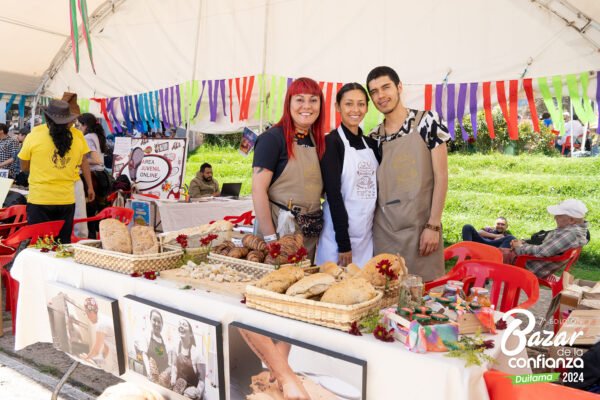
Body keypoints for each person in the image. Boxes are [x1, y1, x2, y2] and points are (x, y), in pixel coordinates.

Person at [367, 66, 450, 281]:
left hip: (421, 230)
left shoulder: (427, 121)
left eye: (385, 87)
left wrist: (433, 224)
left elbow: (441, 176)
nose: (381, 95)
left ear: (399, 87)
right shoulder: (374, 137)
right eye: (374, 91)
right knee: (385, 297)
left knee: (420, 300)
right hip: (384, 232)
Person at [252, 77, 326, 260]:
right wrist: (270, 239)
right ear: (289, 103)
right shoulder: (272, 139)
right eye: (300, 99)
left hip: (306, 235)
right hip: (278, 230)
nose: (307, 106)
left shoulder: (319, 142)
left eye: (313, 100)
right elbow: (258, 190)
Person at [316, 83, 380, 267]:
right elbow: (334, 196)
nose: (355, 110)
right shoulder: (331, 143)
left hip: (366, 239)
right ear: (337, 107)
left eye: (361, 104)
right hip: (337, 239)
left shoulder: (372, 144)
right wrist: (344, 244)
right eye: (348, 104)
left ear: (367, 107)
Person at [18, 100, 94, 244]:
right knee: (61, 245)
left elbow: (24, 167)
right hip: (66, 200)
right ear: (68, 120)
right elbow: (81, 162)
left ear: (47, 118)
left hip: (39, 199)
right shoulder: (78, 137)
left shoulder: (35, 134)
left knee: (40, 247)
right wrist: (89, 186)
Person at [507, 199, 590, 278]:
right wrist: (523, 243)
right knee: (497, 252)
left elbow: (542, 251)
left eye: (559, 215)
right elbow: (545, 246)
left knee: (495, 254)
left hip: (528, 266)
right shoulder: (574, 231)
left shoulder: (570, 234)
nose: (555, 217)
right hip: (530, 263)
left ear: (571, 220)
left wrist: (519, 247)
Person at [239, 328, 310, 400]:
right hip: (235, 360)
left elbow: (286, 322)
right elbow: (247, 320)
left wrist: (280, 360)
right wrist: (286, 377)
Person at [77, 113, 112, 238]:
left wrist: (80, 161)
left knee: (89, 210)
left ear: (85, 125)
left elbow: (97, 160)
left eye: (79, 125)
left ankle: (90, 238)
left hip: (93, 177)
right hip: (100, 175)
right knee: (95, 210)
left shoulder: (88, 137)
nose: (79, 128)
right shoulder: (97, 136)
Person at [79, 297, 118, 375]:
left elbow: (96, 350)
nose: (87, 317)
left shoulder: (101, 325)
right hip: (113, 356)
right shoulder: (103, 318)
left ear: (91, 312)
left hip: (114, 362)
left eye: (86, 314)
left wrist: (87, 358)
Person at [170, 319, 205, 395]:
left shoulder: (198, 354)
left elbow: (202, 380)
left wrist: (197, 393)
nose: (181, 326)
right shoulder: (175, 348)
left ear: (191, 334)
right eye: (180, 324)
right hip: (178, 390)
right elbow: (174, 366)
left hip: (191, 393)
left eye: (184, 325)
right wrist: (173, 379)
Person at [141, 309, 169, 380]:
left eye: (159, 322)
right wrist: (149, 373)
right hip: (149, 378)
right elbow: (144, 355)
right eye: (154, 320)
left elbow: (167, 364)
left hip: (162, 381)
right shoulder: (146, 336)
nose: (157, 324)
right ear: (150, 320)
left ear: (162, 324)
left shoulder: (165, 342)